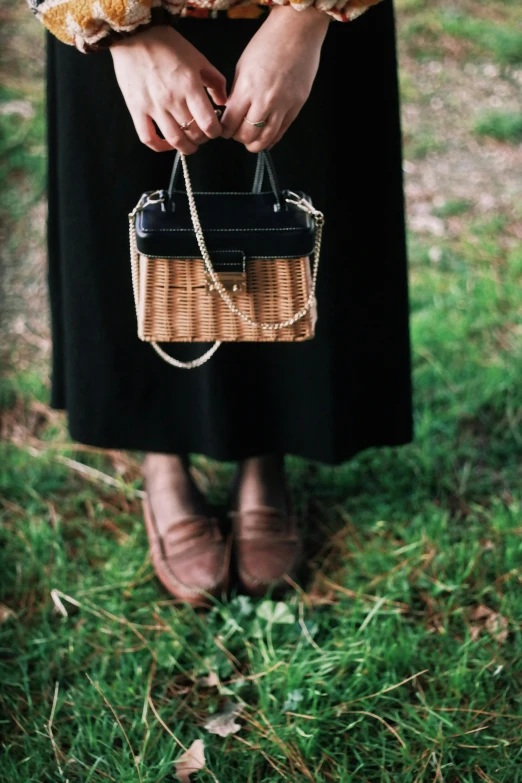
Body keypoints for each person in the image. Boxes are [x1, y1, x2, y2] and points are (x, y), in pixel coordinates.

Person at [30, 0, 413, 604]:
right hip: (127, 24)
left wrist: (305, 19)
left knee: (291, 221)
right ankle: (163, 455)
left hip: (308, 21)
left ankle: (268, 445)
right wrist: (123, 31)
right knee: (141, 210)